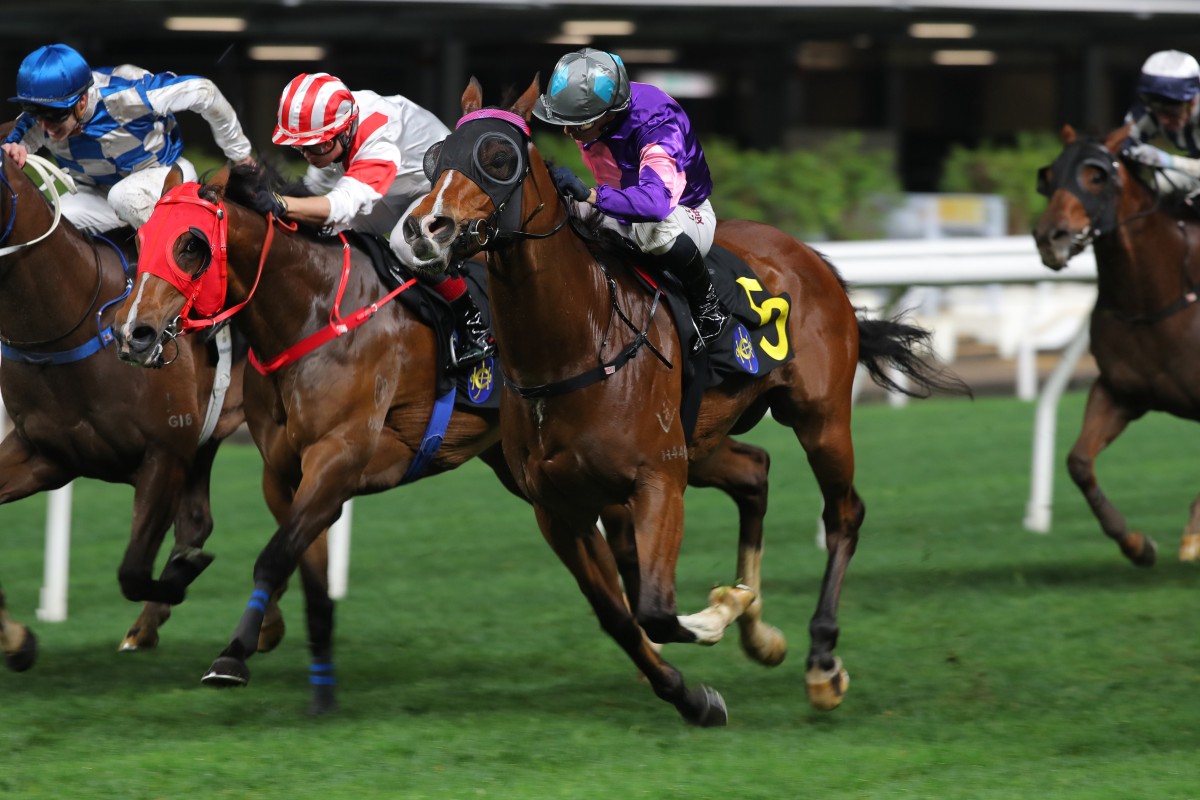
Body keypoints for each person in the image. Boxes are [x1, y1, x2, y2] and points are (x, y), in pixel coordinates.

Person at [262, 71, 493, 367]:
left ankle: (473, 325)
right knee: (329, 232)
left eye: (317, 146)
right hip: (398, 188)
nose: (309, 155)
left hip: (438, 187)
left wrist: (281, 203)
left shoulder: (378, 136)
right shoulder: (336, 128)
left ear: (346, 131)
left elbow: (338, 206)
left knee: (405, 243)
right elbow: (315, 195)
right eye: (300, 147)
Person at [532, 48, 728, 349]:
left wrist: (591, 195)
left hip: (683, 213)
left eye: (579, 124)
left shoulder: (657, 121)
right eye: (563, 123)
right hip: (623, 211)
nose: (569, 131)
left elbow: (656, 204)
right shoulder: (599, 117)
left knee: (651, 228)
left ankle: (709, 307)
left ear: (610, 113)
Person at [1, 43, 256, 234]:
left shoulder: (130, 96)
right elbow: (17, 143)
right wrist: (15, 152)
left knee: (125, 196)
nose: (45, 125)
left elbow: (205, 92)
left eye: (54, 115)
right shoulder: (36, 122)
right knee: (50, 222)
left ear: (81, 101)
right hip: (98, 195)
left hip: (166, 179)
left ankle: (192, 263)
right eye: (36, 112)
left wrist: (240, 156)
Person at [1121, 49, 1200, 201]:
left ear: (1193, 101)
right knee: (1160, 185)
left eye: (1173, 110)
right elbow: (1124, 143)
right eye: (1157, 108)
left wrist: (1168, 161)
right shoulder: (1146, 111)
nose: (1163, 120)